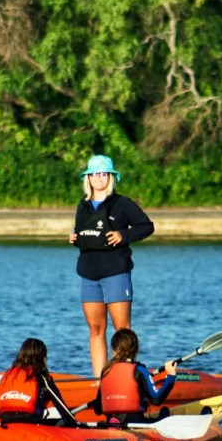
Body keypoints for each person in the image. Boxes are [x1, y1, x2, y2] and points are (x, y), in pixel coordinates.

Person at [68, 154, 155, 377]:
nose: (99, 178)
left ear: (111, 177)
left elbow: (146, 226)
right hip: (89, 273)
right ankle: (99, 379)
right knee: (96, 329)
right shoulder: (83, 205)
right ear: (88, 179)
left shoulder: (122, 203)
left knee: (122, 329)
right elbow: (86, 234)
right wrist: (75, 238)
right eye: (95, 174)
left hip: (116, 272)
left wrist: (122, 235)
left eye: (104, 174)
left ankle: (124, 376)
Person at [89, 328, 177, 427]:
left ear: (113, 350)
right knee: (164, 412)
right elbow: (156, 399)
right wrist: (171, 376)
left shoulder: (106, 371)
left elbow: (98, 409)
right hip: (137, 425)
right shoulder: (139, 370)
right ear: (136, 349)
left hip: (111, 424)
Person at [0, 337, 74, 426]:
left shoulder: (8, 375)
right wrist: (75, 425)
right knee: (61, 422)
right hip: (31, 423)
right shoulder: (42, 378)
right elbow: (61, 407)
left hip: (6, 421)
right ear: (42, 357)